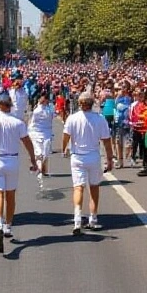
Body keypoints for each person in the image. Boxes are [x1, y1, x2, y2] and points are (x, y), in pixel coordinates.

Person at [0, 92, 38, 253]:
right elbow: (27, 142)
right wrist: (33, 160)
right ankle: (8, 225)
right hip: (12, 160)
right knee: (10, 195)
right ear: (10, 106)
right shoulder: (17, 122)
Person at [60, 92, 114, 235]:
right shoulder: (100, 119)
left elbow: (66, 136)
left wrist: (64, 149)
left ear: (80, 104)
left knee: (78, 188)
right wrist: (109, 159)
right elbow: (106, 141)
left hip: (77, 156)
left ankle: (77, 219)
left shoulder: (72, 118)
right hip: (93, 156)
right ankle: (93, 219)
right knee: (94, 187)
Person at [28, 94, 57, 190]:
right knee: (43, 151)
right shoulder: (47, 110)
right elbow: (53, 116)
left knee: (39, 151)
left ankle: (40, 167)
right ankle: (41, 167)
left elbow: (32, 121)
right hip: (43, 132)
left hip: (39, 132)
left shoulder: (38, 110)